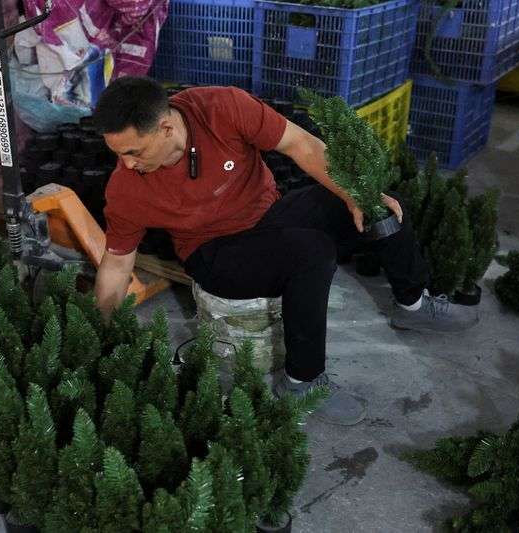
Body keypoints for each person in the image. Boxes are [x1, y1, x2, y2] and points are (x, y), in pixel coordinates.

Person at [91, 76, 478, 426]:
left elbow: (301, 144)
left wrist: (354, 194)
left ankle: (412, 303)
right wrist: (99, 333)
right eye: (118, 154)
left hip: (268, 215)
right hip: (213, 253)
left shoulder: (222, 108)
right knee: (312, 253)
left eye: (134, 152)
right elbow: (117, 264)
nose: (126, 163)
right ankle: (302, 382)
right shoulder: (126, 188)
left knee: (380, 204)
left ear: (166, 128)